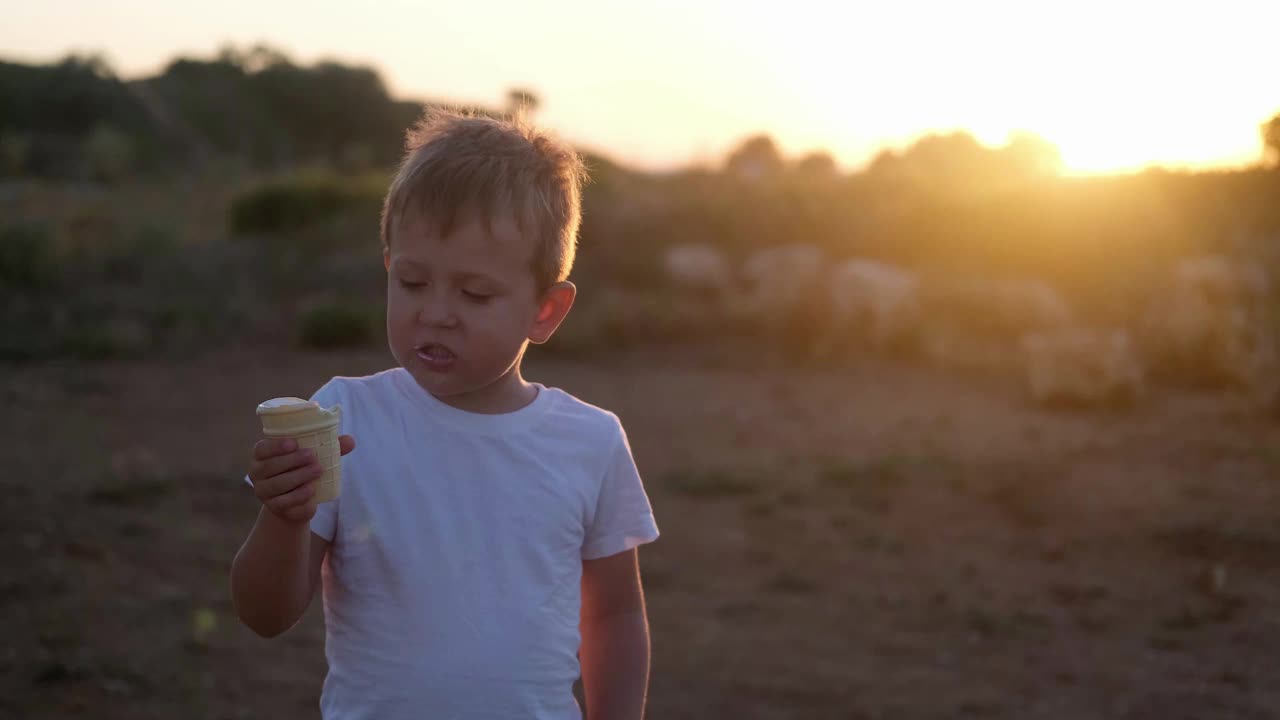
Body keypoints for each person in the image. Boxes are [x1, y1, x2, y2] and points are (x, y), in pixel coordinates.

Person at [230, 108, 660, 720]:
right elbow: (264, 615)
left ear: (545, 312)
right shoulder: (343, 416)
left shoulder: (590, 441)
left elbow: (615, 614)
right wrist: (283, 517)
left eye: (474, 293)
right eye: (411, 282)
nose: (435, 313)